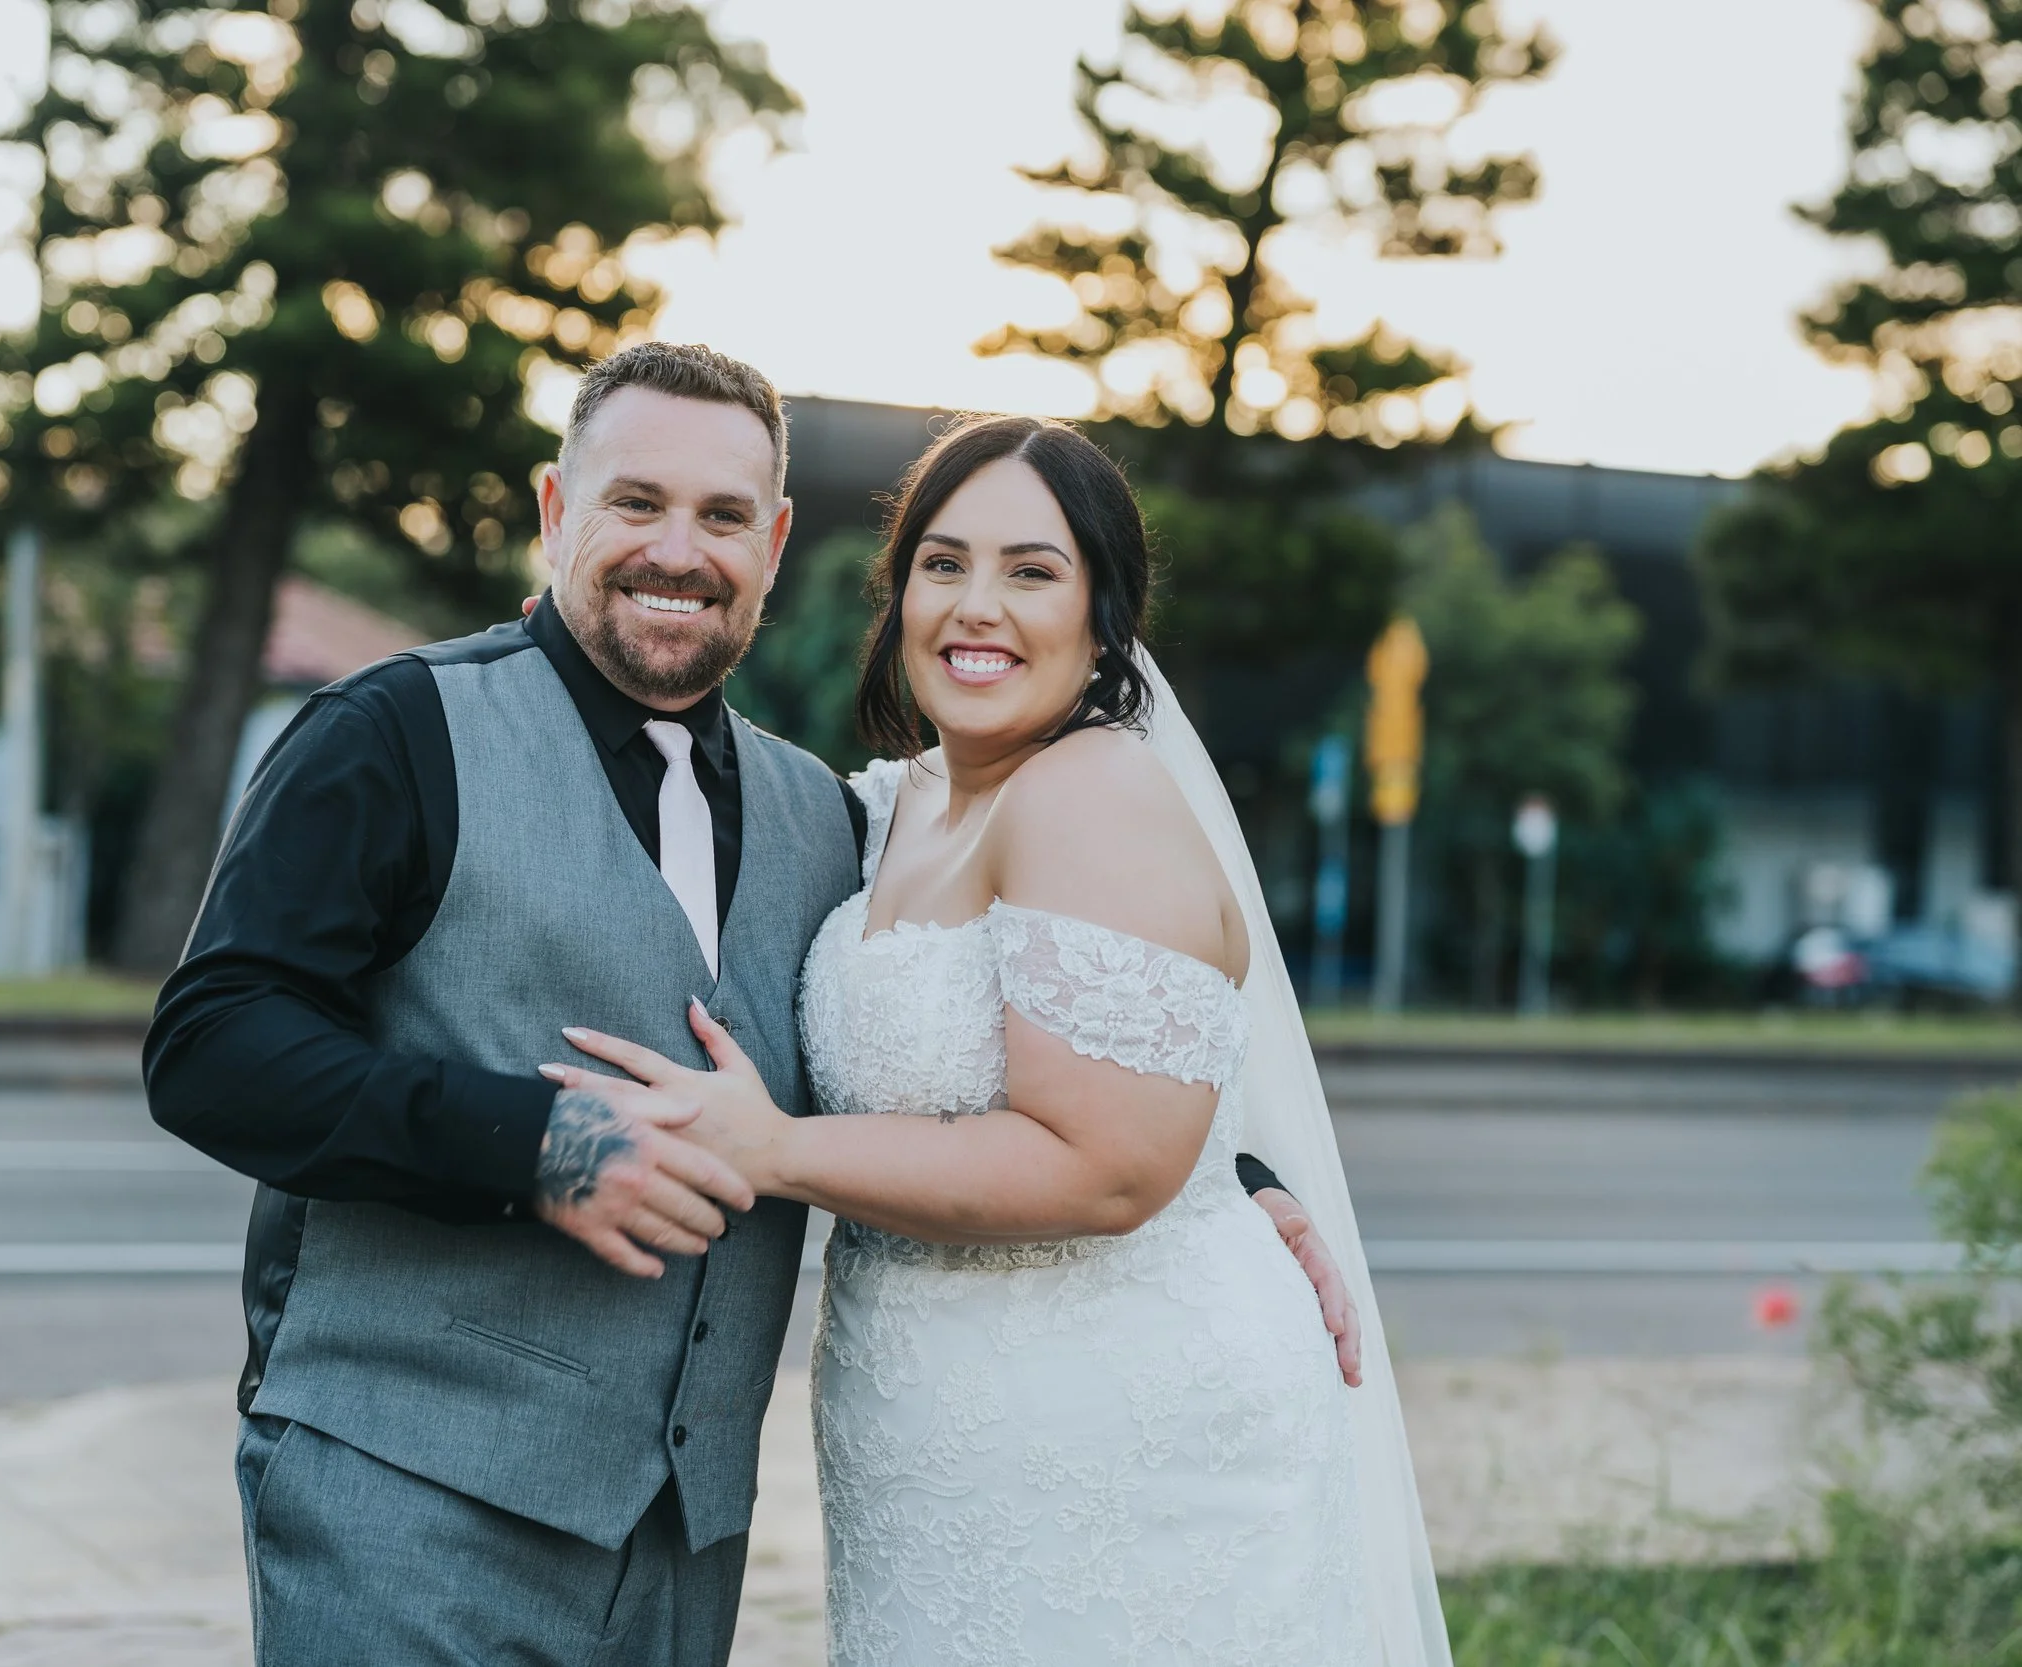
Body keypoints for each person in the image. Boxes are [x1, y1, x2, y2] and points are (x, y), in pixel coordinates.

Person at [145, 345, 1358, 1667]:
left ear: (775, 544)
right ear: (556, 511)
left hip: (679, 1549)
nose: (680, 549)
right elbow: (212, 1044)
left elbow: (1000, 1041)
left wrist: (1230, 1176)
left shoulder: (835, 822)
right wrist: (528, 1144)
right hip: (405, 1499)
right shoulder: (392, 735)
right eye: (636, 503)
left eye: (723, 516)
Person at [547, 415, 1449, 1664]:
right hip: (933, 1447)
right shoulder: (881, 809)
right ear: (898, 590)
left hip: (1125, 1434)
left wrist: (776, 1148)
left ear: (1104, 614)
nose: (979, 607)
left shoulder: (1093, 790)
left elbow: (1110, 1164)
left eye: (1033, 570)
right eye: (943, 562)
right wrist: (1243, 1174)